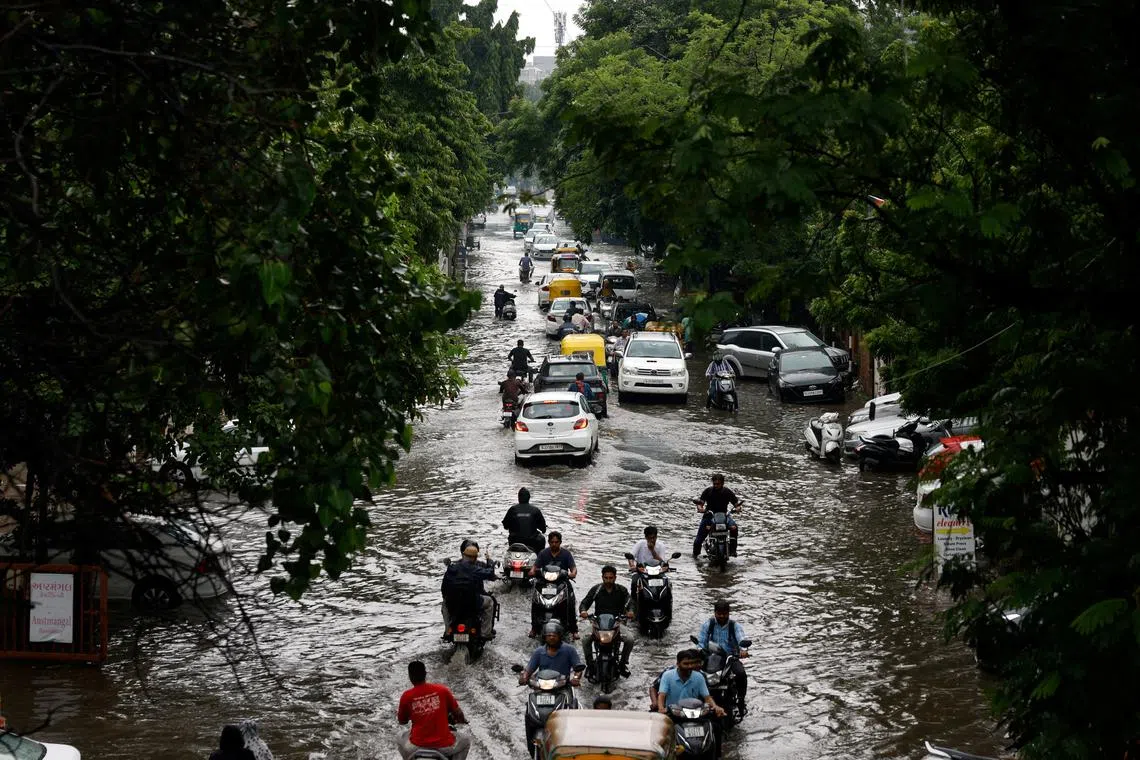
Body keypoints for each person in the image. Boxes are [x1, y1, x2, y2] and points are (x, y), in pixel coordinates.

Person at [396, 660, 471, 760]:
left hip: (416, 746)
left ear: (410, 676)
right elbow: (458, 713)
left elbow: (402, 721)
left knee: (399, 736)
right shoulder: (442, 690)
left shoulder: (406, 696)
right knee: (466, 741)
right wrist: (462, 720)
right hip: (444, 746)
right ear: (425, 674)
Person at [579, 565, 636, 678]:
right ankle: (590, 665)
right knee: (585, 639)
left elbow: (631, 603)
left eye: (611, 578)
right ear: (602, 577)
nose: (608, 580)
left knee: (630, 639)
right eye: (606, 578)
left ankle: (623, 663)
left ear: (615, 577)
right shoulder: (596, 590)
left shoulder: (622, 590)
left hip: (617, 623)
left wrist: (631, 612)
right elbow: (585, 602)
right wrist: (583, 611)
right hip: (598, 623)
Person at [697, 601, 749, 716]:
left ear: (728, 613)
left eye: (724, 614)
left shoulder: (734, 626)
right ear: (715, 612)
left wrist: (743, 650)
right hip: (712, 658)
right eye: (719, 613)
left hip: (730, 658)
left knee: (741, 674)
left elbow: (741, 638)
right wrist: (700, 650)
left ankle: (741, 700)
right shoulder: (708, 624)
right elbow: (701, 641)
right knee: (696, 673)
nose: (721, 616)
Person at [440, 540, 497, 637]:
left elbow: (444, 589)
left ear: (463, 554)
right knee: (490, 602)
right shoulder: (475, 568)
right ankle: (485, 633)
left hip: (453, 603)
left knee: (444, 604)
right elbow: (490, 573)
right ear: (475, 558)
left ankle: (447, 630)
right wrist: (490, 562)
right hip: (471, 603)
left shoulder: (451, 568)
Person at [530, 531, 578, 636]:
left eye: (556, 542)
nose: (554, 544)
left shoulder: (566, 554)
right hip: (544, 582)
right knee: (535, 601)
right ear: (549, 542)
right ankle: (534, 627)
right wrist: (533, 571)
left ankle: (574, 629)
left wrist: (572, 574)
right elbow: (535, 566)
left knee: (570, 600)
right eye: (552, 542)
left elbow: (573, 568)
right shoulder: (543, 553)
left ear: (560, 542)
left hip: (561, 582)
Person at [656, 649, 726, 717]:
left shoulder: (699, 676)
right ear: (678, 664)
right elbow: (662, 695)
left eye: (691, 663)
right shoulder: (667, 675)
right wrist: (661, 709)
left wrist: (715, 707)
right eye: (686, 664)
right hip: (673, 713)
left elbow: (707, 697)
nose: (689, 666)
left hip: (694, 713)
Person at [692, 473, 742, 559]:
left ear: (722, 483)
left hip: (724, 516)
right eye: (714, 484)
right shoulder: (708, 491)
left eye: (718, 484)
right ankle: (695, 556)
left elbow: (736, 504)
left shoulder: (727, 492)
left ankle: (733, 549)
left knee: (734, 527)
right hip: (709, 516)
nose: (716, 485)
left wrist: (738, 508)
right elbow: (701, 503)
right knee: (698, 540)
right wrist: (700, 508)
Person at [502, 487, 547, 554]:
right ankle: (540, 560)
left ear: (518, 498)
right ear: (529, 498)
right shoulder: (535, 510)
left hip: (514, 541)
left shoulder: (512, 509)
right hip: (532, 542)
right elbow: (543, 528)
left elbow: (505, 525)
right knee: (542, 539)